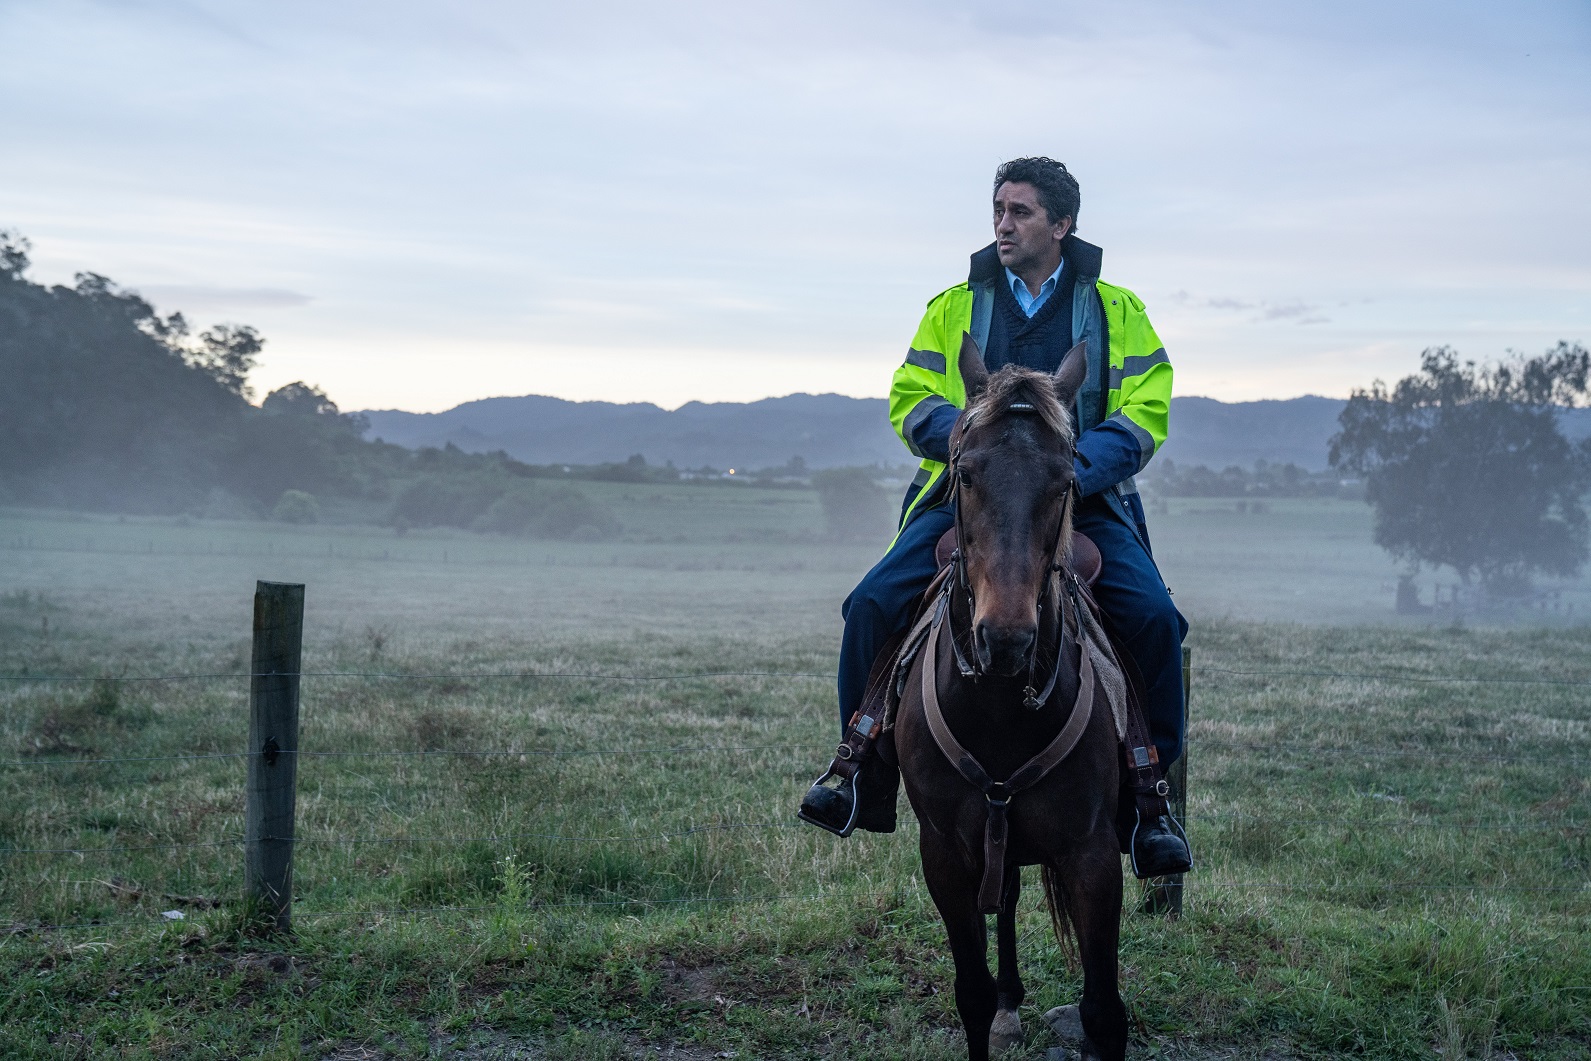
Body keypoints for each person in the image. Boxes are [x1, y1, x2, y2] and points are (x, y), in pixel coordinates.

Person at [797, 157, 1192, 878]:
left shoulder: (1117, 310)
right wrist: (969, 443)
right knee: (871, 604)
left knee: (1155, 620)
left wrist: (1074, 466)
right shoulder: (953, 306)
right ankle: (860, 773)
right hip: (967, 493)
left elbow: (1147, 408)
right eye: (997, 210)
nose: (1002, 224)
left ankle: (1149, 801)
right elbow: (910, 395)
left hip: (1080, 499)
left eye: (1019, 212)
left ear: (1061, 224)